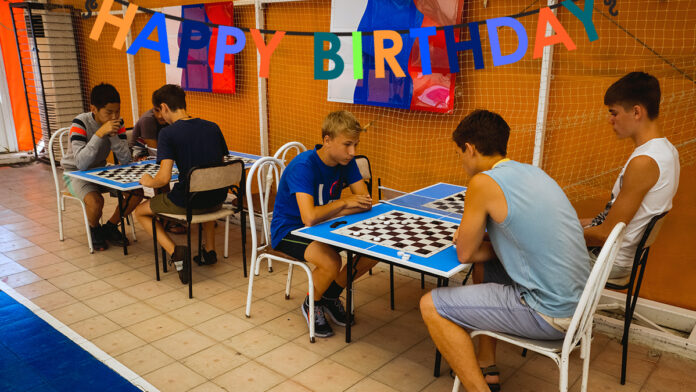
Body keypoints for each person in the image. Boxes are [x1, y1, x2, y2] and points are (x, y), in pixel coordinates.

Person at [419, 110, 590, 392]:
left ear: (470, 149)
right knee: (491, 265)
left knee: (431, 305)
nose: (461, 160)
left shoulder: (482, 182)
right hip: (580, 307)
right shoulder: (534, 172)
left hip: (548, 314)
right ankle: (487, 364)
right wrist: (486, 245)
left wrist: (465, 237)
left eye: (460, 152)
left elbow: (464, 254)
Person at [271, 110, 376, 338]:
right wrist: (345, 202)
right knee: (331, 261)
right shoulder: (304, 166)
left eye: (356, 145)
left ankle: (329, 295)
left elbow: (366, 202)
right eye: (347, 144)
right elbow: (308, 217)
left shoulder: (346, 161)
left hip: (326, 224)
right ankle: (312, 303)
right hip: (290, 229)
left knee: (374, 252)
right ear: (327, 140)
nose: (352, 152)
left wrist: (342, 206)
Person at [581, 72, 680, 279]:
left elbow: (605, 234)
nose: (610, 120)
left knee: (519, 247)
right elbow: (610, 222)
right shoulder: (667, 150)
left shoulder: (644, 162)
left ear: (636, 112)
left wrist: (557, 234)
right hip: (613, 252)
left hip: (606, 259)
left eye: (614, 113)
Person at [133, 84, 229, 283]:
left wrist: (148, 180)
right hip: (218, 198)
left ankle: (175, 251)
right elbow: (218, 165)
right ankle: (209, 251)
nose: (161, 118)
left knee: (140, 211)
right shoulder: (213, 127)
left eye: (160, 112)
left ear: (165, 107)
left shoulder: (168, 134)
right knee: (204, 185)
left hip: (189, 203)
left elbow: (164, 178)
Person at [61, 83, 143, 251]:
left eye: (117, 111)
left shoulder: (117, 123)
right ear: (94, 109)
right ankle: (95, 229)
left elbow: (126, 160)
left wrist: (112, 136)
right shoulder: (80, 123)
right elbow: (81, 163)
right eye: (109, 112)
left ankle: (110, 227)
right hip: (75, 173)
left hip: (101, 169)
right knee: (96, 201)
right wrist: (99, 134)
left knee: (137, 192)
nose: (114, 116)